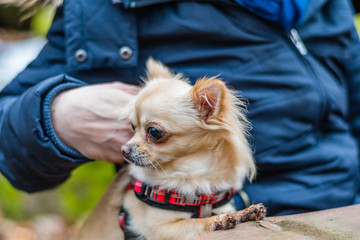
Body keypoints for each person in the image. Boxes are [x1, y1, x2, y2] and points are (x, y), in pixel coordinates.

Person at [0, 0, 359, 216]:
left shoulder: (324, 5)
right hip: (221, 218)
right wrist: (56, 114)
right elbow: (8, 123)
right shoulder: (108, 11)